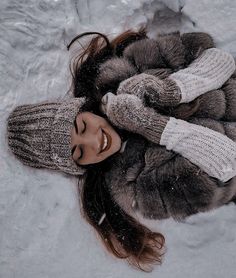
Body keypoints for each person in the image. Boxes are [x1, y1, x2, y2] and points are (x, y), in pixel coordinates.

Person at [6, 28, 236, 272]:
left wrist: (167, 90)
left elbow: (218, 59)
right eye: (80, 152)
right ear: (82, 166)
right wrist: (152, 126)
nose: (94, 142)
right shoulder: (140, 186)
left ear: (86, 109)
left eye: (83, 126)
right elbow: (228, 164)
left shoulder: (126, 71)